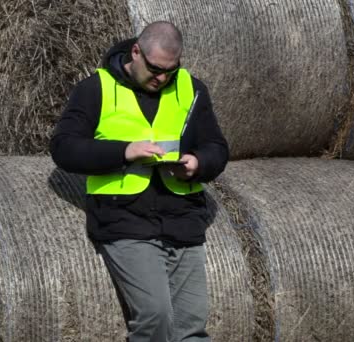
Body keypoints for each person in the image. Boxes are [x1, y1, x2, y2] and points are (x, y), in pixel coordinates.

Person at [50, 21, 229, 342]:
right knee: (156, 317)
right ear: (136, 52)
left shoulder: (192, 89)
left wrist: (198, 163)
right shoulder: (96, 89)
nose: (162, 78)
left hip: (183, 219)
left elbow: (217, 147)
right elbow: (64, 148)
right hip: (124, 219)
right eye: (155, 69)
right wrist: (125, 151)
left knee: (191, 329)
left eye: (170, 71)